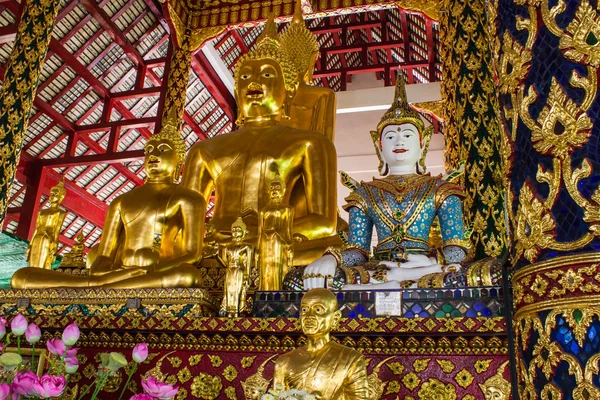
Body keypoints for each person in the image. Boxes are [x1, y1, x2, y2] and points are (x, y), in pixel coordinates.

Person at [181, 14, 339, 267]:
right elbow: (183, 222)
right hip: (215, 246)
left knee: (333, 248)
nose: (253, 81)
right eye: (244, 77)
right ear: (236, 92)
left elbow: (323, 222)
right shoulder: (203, 149)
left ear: (288, 90)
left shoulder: (310, 143)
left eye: (266, 75)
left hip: (275, 243)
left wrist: (261, 236)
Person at [297, 75, 471, 290]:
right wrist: (332, 259)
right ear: (378, 146)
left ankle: (382, 287)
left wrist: (433, 262)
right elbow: (357, 251)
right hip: (378, 268)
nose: (398, 141)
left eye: (407, 135)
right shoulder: (365, 193)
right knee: (300, 279)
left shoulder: (441, 190)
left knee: (470, 276)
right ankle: (392, 285)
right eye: (390, 137)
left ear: (423, 143)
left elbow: (458, 247)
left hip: (426, 268)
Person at [11, 115, 205, 289]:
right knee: (21, 277)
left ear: (179, 161)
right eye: (149, 150)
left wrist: (150, 270)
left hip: (155, 273)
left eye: (163, 150)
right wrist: (102, 275)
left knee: (188, 276)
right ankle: (98, 285)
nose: (153, 155)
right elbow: (104, 256)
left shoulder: (189, 199)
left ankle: (97, 287)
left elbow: (192, 254)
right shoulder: (122, 201)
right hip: (116, 274)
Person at [273, 288, 368, 399]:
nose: (309, 316)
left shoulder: (351, 359)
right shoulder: (283, 362)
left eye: (318, 310)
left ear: (335, 317)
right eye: (304, 310)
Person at [257, 173, 294, 290]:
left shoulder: (287, 209)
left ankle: (278, 290)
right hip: (264, 240)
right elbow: (259, 231)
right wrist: (257, 249)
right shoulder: (263, 210)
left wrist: (290, 244)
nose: (274, 190)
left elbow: (288, 228)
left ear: (283, 191)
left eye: (277, 188)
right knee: (265, 268)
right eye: (272, 188)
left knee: (277, 266)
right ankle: (264, 290)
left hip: (279, 239)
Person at [26, 179, 67, 270]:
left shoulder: (60, 213)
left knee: (42, 264)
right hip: (37, 238)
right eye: (52, 193)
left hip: (47, 239)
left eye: (55, 194)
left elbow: (56, 231)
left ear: (61, 197)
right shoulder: (41, 212)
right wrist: (30, 245)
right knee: (33, 264)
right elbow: (36, 229)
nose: (52, 196)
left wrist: (55, 247)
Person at [221, 217, 254, 317]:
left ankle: (236, 311)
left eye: (238, 230)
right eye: (233, 230)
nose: (235, 232)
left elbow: (248, 264)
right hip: (229, 270)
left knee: (238, 290)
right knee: (228, 290)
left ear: (244, 232)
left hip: (239, 270)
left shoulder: (247, 246)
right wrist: (216, 256)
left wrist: (246, 276)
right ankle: (228, 311)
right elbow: (224, 263)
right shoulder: (226, 246)